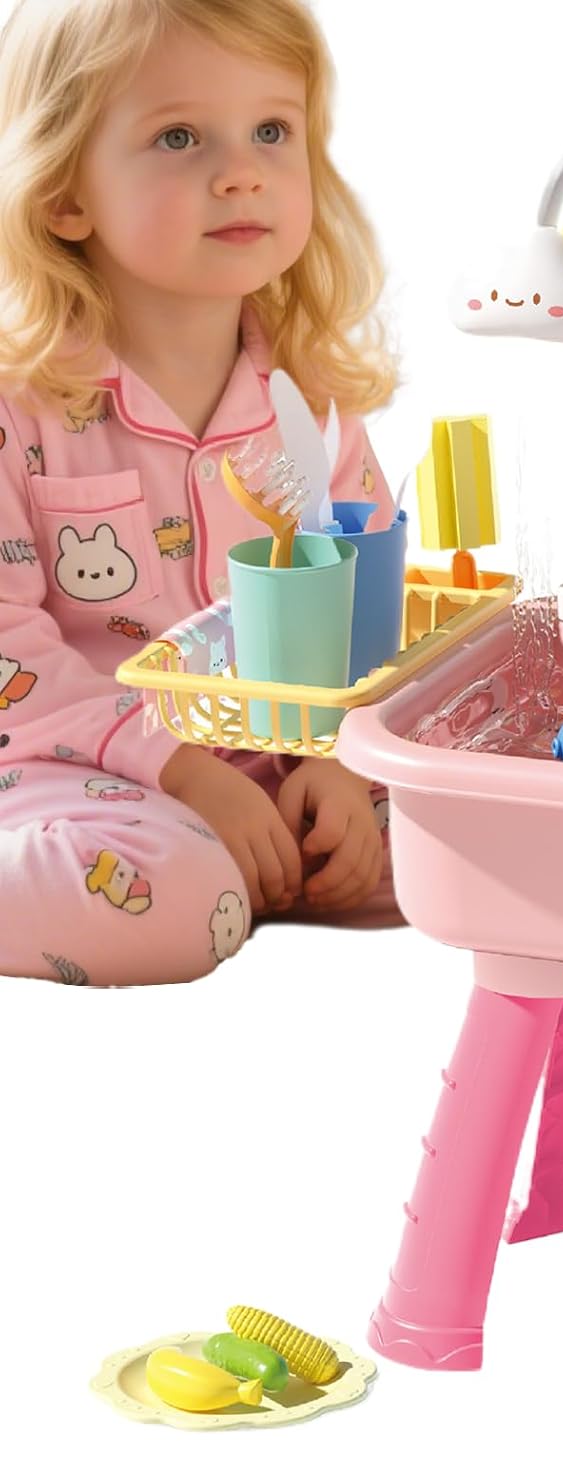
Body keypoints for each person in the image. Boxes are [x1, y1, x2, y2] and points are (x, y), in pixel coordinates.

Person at [0, 0, 404, 985]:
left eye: (271, 130)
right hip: (67, 768)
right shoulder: (20, 406)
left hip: (275, 768)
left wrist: (337, 763)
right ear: (64, 195)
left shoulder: (309, 397)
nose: (241, 172)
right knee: (169, 897)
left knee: (492, 830)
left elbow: (369, 615)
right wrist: (178, 771)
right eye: (180, 137)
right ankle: (218, 877)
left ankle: (258, 869)